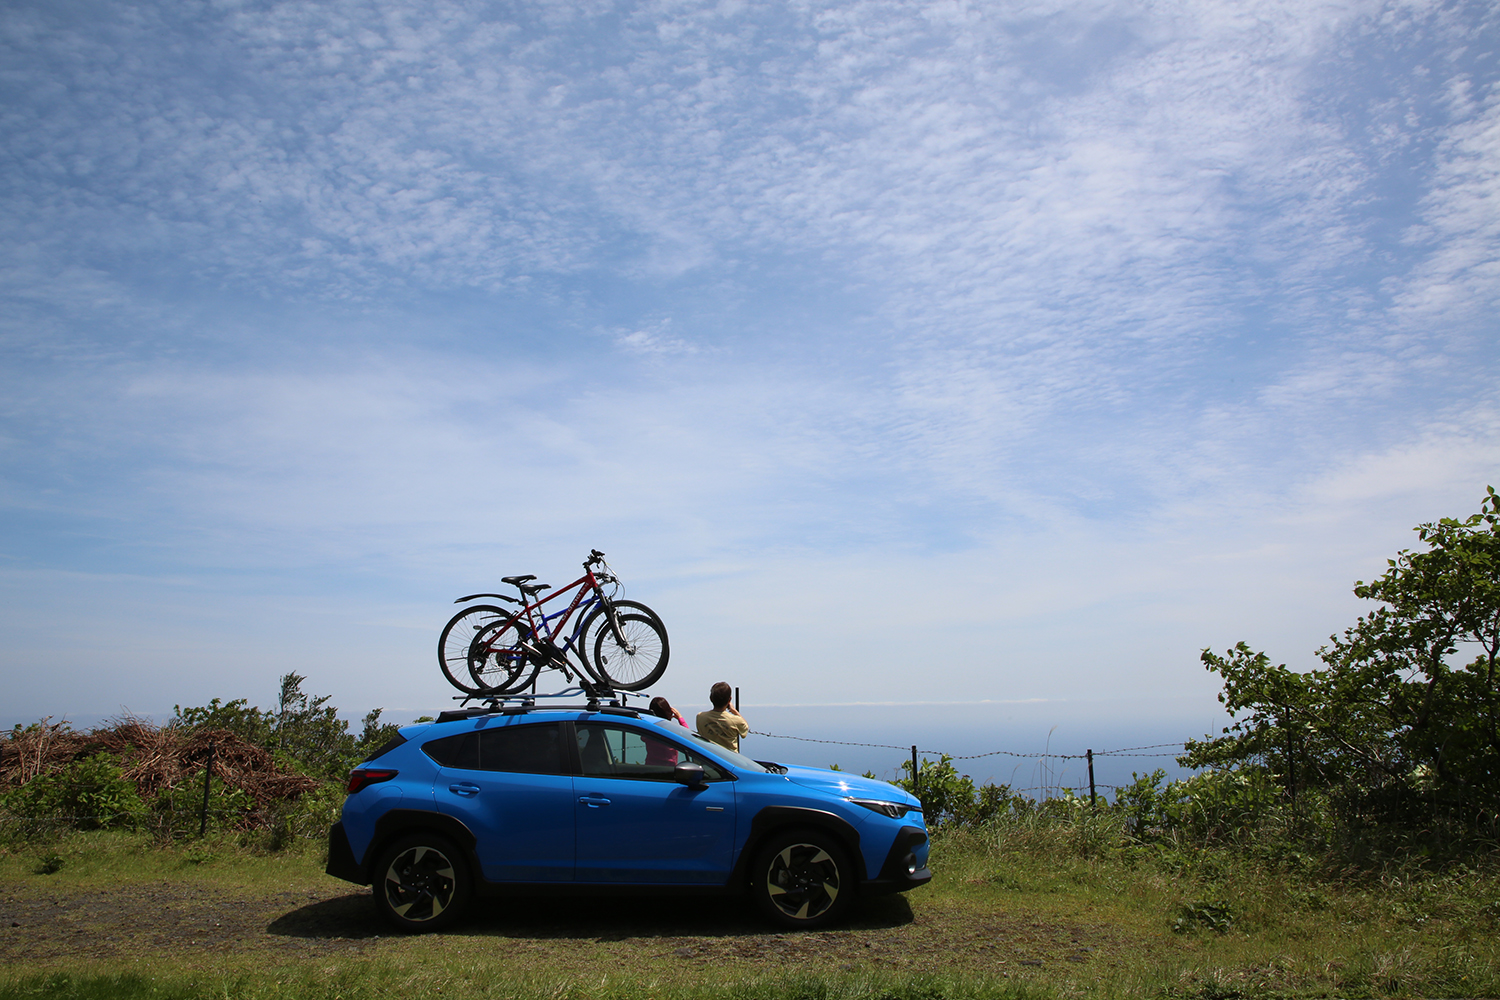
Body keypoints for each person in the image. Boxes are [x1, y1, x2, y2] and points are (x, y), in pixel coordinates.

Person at [695, 681, 749, 753]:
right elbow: (745, 729)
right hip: (729, 760)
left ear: (711, 698)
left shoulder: (700, 717)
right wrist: (734, 711)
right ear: (729, 699)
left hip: (707, 758)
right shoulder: (735, 721)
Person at [644, 696, 686, 767]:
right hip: (669, 770)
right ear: (669, 712)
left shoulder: (649, 731)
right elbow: (688, 737)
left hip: (650, 769)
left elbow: (643, 737)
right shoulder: (672, 732)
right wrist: (680, 718)